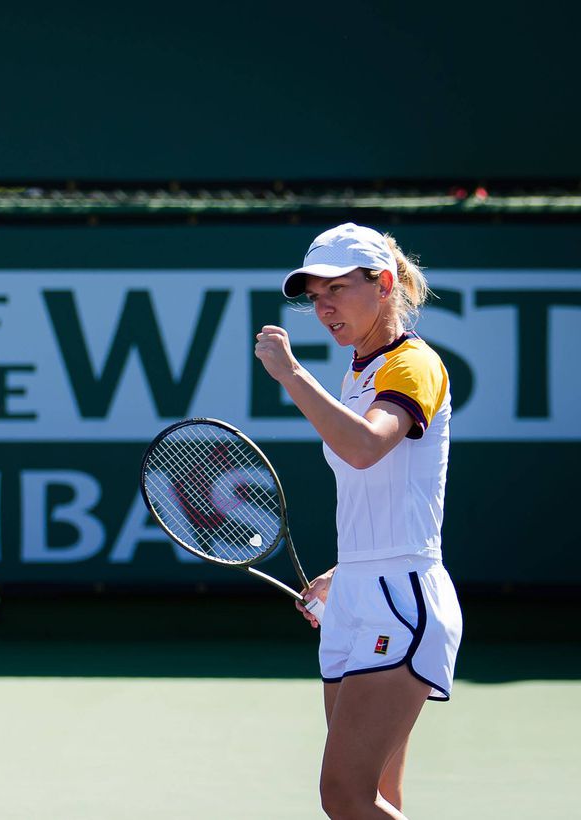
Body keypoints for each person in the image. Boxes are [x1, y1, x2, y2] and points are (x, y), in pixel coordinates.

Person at [254, 223, 463, 819]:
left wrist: (293, 376)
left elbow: (367, 448)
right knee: (375, 800)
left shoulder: (413, 365)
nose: (324, 308)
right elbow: (385, 494)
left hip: (403, 599)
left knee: (343, 797)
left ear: (384, 285)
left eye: (339, 289)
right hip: (360, 595)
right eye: (315, 296)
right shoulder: (357, 373)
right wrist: (345, 574)